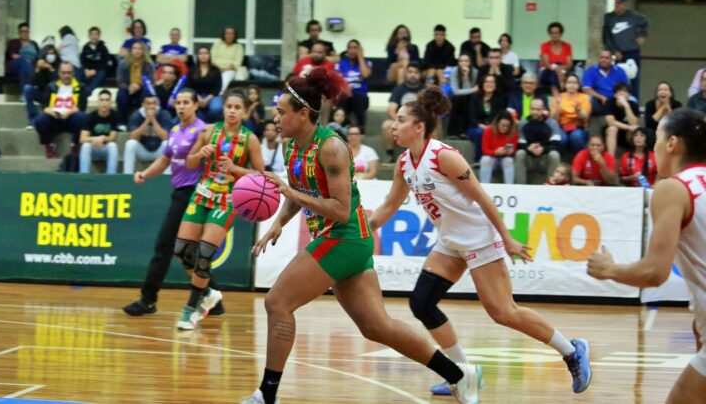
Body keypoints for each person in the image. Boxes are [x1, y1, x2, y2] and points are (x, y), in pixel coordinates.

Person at [243, 70, 482, 404]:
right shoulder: (290, 146)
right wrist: (279, 221)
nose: (275, 118)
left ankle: (267, 395)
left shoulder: (331, 147)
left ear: (303, 113)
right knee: (376, 327)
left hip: (345, 237)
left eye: (281, 112)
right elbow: (298, 191)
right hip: (336, 238)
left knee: (277, 302)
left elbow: (341, 210)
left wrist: (291, 193)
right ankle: (459, 374)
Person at [366, 85, 589, 400]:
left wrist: (507, 238)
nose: (393, 125)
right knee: (422, 304)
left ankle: (571, 350)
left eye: (401, 120)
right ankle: (462, 373)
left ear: (419, 127)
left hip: (478, 239)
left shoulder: (444, 157)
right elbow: (390, 205)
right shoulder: (404, 163)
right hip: (450, 241)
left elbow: (483, 198)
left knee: (503, 312)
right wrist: (365, 228)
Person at [587, 108, 706, 404]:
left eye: (657, 140)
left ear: (672, 143)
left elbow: (654, 272)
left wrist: (610, 269)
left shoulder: (673, 189)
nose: (653, 150)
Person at [123, 89, 226, 316]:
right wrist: (145, 174)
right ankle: (213, 298)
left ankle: (148, 300)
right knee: (186, 251)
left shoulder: (204, 131)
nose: (181, 106)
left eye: (186, 102)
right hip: (179, 193)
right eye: (178, 102)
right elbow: (165, 159)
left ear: (196, 105)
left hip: (194, 193)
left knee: (164, 246)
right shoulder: (175, 130)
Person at [176, 89, 265, 331]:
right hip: (202, 194)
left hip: (227, 199)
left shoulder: (250, 139)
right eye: (229, 107)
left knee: (205, 252)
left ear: (244, 112)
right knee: (182, 250)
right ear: (223, 109)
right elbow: (189, 163)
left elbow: (261, 175)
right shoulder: (208, 131)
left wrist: (236, 169)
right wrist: (199, 154)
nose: (232, 111)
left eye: (237, 108)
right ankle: (209, 293)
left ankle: (191, 308)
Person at [32, 62, 87, 158]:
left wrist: (68, 113)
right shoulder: (51, 86)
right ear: (59, 73)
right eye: (64, 72)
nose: (66, 75)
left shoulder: (80, 87)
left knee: (82, 117)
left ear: (73, 73)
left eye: (69, 72)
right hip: (55, 118)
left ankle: (75, 145)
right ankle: (49, 145)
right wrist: (52, 112)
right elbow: (44, 106)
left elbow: (81, 107)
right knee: (39, 120)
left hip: (71, 119)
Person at [602, 0, 649, 98]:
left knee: (634, 78)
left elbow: (645, 22)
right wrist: (614, 51)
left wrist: (642, 35)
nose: (617, 5)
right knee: (618, 78)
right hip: (618, 53)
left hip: (632, 51)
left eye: (619, 3)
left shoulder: (634, 16)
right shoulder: (608, 18)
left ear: (624, 4)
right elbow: (606, 37)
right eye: (615, 3)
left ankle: (633, 100)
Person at [381, 63, 425, 162]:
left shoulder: (424, 90)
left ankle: (424, 155)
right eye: (410, 72)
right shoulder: (398, 89)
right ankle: (390, 155)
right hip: (401, 120)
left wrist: (414, 122)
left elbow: (427, 111)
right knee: (386, 125)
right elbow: (391, 110)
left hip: (418, 122)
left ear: (420, 75)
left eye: (416, 72)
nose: (413, 75)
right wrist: (401, 122)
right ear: (406, 73)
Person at [123, 95, 175, 174]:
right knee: (130, 143)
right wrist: (147, 120)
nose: (151, 106)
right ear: (143, 104)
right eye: (148, 103)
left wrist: (153, 119)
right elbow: (133, 136)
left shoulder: (164, 114)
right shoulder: (137, 115)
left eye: (154, 103)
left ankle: (167, 176)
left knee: (167, 143)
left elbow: (165, 137)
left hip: (159, 152)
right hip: (143, 151)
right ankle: (127, 175)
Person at [516, 98, 562, 185]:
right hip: (529, 159)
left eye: (538, 109)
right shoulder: (523, 123)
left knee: (555, 155)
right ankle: (520, 186)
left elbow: (556, 144)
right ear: (529, 109)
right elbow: (520, 144)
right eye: (533, 109)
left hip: (545, 159)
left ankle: (551, 185)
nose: (535, 112)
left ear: (543, 109)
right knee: (519, 153)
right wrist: (529, 149)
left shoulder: (552, 123)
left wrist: (543, 149)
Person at [468, 74, 508, 162]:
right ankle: (478, 160)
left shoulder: (500, 98)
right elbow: (472, 116)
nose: (489, 84)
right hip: (476, 126)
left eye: (492, 82)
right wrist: (481, 125)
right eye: (486, 82)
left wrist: (492, 126)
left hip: (494, 126)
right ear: (482, 84)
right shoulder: (475, 97)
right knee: (480, 132)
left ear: (496, 85)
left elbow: (500, 116)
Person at [79, 90, 119, 174]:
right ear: (98, 102)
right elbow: (82, 138)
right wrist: (95, 139)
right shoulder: (90, 117)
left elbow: (113, 138)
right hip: (93, 148)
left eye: (107, 100)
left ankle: (111, 176)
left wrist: (103, 138)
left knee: (113, 146)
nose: (104, 103)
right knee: (85, 146)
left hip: (106, 149)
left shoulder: (114, 116)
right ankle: (83, 175)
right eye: (101, 100)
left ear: (110, 102)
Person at [551, 74, 592, 154]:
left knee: (576, 136)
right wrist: (558, 105)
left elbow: (585, 118)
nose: (572, 85)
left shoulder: (584, 97)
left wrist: (578, 110)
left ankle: (579, 158)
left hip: (579, 127)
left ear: (578, 85)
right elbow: (553, 119)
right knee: (561, 138)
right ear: (565, 85)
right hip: (562, 127)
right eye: (569, 82)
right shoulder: (559, 97)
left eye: (574, 83)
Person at [117, 41, 155, 125]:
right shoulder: (123, 64)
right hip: (127, 89)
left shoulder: (149, 64)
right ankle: (122, 122)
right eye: (134, 48)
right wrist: (129, 87)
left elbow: (151, 81)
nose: (137, 51)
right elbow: (120, 81)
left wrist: (138, 86)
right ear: (130, 51)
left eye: (139, 49)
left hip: (142, 89)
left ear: (143, 51)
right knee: (121, 96)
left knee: (146, 93)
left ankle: (142, 121)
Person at [335, 39, 372, 127]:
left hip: (360, 96)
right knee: (342, 99)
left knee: (358, 99)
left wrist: (360, 57)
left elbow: (365, 74)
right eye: (350, 48)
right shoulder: (341, 64)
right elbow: (339, 80)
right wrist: (347, 90)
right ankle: (339, 130)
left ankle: (360, 130)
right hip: (345, 95)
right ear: (347, 50)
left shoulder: (367, 62)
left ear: (360, 50)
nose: (352, 50)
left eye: (355, 48)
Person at [24, 44, 61, 126]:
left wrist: (50, 68)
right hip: (42, 93)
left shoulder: (59, 65)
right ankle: (33, 119)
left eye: (52, 53)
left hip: (54, 95)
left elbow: (56, 83)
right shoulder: (40, 64)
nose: (50, 55)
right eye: (48, 53)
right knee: (27, 88)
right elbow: (32, 82)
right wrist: (37, 69)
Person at [186, 47, 223, 123]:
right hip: (196, 95)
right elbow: (189, 86)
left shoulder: (215, 70)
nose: (203, 55)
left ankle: (206, 123)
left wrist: (207, 99)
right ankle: (201, 124)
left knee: (216, 108)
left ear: (209, 55)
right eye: (201, 53)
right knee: (193, 108)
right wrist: (197, 97)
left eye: (205, 53)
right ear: (198, 56)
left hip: (212, 95)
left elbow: (218, 87)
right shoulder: (192, 70)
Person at [480, 110, 518, 184]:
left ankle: (510, 187)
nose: (505, 128)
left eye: (507, 126)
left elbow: (513, 150)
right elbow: (485, 150)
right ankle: (484, 186)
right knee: (485, 160)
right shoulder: (488, 130)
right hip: (492, 158)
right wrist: (495, 152)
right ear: (497, 123)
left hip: (505, 159)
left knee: (509, 161)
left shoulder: (513, 133)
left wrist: (511, 152)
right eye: (502, 125)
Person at [604, 82, 640, 156]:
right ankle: (610, 158)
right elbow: (611, 122)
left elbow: (633, 123)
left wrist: (626, 106)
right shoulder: (609, 102)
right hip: (614, 131)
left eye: (625, 92)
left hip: (627, 133)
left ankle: (633, 156)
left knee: (635, 130)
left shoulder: (633, 105)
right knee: (612, 129)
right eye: (619, 92)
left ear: (629, 95)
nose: (622, 94)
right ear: (615, 95)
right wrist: (628, 127)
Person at [448, 53, 479, 137]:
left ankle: (464, 132)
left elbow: (472, 91)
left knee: (468, 100)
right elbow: (455, 91)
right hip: (456, 97)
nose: (463, 63)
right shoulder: (454, 71)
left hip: (470, 97)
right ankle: (452, 132)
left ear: (470, 62)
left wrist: (466, 77)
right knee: (457, 100)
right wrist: (472, 90)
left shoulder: (475, 72)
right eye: (461, 61)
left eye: (466, 61)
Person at [539, 22, 574, 94]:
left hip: (562, 72)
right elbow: (547, 64)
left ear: (561, 34)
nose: (554, 35)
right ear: (549, 34)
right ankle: (561, 92)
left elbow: (569, 64)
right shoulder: (544, 45)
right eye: (552, 33)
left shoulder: (567, 46)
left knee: (555, 76)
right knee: (555, 74)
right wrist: (558, 70)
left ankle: (556, 96)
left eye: (556, 33)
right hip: (547, 72)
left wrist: (559, 69)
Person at [6, 22, 40, 88]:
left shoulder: (34, 43)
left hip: (31, 65)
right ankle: (31, 84)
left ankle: (26, 90)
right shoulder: (13, 42)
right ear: (19, 33)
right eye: (23, 32)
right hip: (16, 64)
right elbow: (13, 55)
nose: (25, 33)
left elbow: (39, 56)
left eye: (27, 31)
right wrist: (24, 60)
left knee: (22, 70)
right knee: (22, 61)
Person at [211, 26, 244, 94]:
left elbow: (237, 64)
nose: (229, 36)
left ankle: (218, 94)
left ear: (235, 35)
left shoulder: (239, 47)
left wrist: (224, 69)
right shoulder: (217, 44)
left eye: (231, 34)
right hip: (215, 68)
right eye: (227, 33)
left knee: (225, 76)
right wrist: (219, 68)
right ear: (224, 35)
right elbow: (212, 59)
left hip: (230, 70)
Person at [80, 26, 112, 98]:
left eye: (96, 34)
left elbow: (108, 63)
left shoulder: (103, 48)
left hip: (98, 71)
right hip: (87, 70)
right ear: (89, 36)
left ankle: (88, 90)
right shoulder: (85, 48)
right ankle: (77, 90)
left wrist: (95, 70)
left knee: (102, 72)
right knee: (78, 71)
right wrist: (86, 70)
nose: (94, 36)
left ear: (99, 36)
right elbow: (82, 61)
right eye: (92, 34)